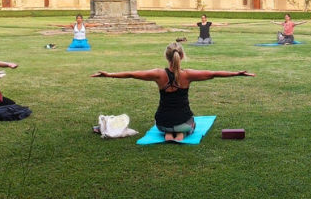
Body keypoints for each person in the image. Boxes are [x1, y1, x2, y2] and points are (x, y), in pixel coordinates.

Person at [91, 42, 254, 141]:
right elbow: (213, 74)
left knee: (168, 125)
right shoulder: (187, 75)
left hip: (162, 124)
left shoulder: (158, 74)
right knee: (191, 123)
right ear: (181, 56)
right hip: (184, 123)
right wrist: (237, 73)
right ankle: (181, 134)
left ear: (166, 56)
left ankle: (169, 135)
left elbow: (132, 74)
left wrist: (109, 74)